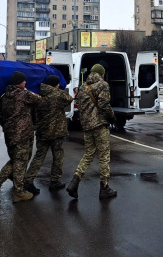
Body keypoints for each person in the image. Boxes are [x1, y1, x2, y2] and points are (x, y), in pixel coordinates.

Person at [0, 71, 43, 204]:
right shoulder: (23, 94)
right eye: (24, 81)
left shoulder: (4, 96)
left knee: (16, 160)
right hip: (23, 133)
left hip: (10, 134)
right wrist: (27, 91)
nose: (25, 83)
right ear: (19, 83)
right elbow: (39, 100)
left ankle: (5, 185)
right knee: (20, 162)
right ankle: (15, 191)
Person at [67, 64, 117, 199]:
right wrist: (112, 117)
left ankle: (74, 182)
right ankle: (104, 187)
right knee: (104, 156)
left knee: (88, 154)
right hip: (100, 125)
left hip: (87, 126)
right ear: (101, 74)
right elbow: (104, 104)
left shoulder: (83, 87)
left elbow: (80, 106)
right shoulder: (103, 85)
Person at [24, 75, 72, 194]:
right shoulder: (57, 94)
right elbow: (69, 98)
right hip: (56, 131)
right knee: (58, 156)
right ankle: (54, 181)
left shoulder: (39, 94)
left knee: (39, 156)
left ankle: (28, 180)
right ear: (56, 84)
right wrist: (58, 90)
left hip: (42, 131)